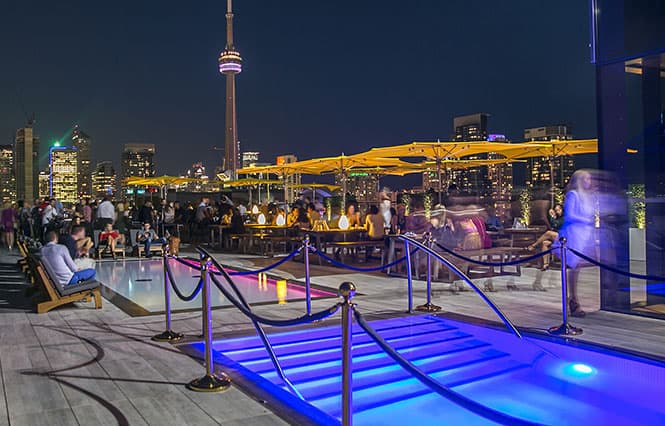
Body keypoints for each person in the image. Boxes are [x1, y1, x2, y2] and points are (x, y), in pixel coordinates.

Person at [558, 170, 598, 317]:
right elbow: (570, 215)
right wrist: (586, 221)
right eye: (587, 179)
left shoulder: (588, 197)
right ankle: (573, 299)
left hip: (586, 234)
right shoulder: (573, 195)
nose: (590, 181)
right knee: (574, 268)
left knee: (578, 268)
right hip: (575, 234)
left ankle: (573, 299)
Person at [527, 204, 564, 270]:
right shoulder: (557, 217)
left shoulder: (565, 217)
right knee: (545, 243)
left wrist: (552, 216)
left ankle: (534, 245)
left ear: (562, 209)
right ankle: (545, 264)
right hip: (557, 237)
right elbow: (553, 225)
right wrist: (553, 216)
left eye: (559, 210)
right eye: (556, 210)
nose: (558, 212)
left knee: (548, 233)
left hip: (564, 238)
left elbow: (556, 224)